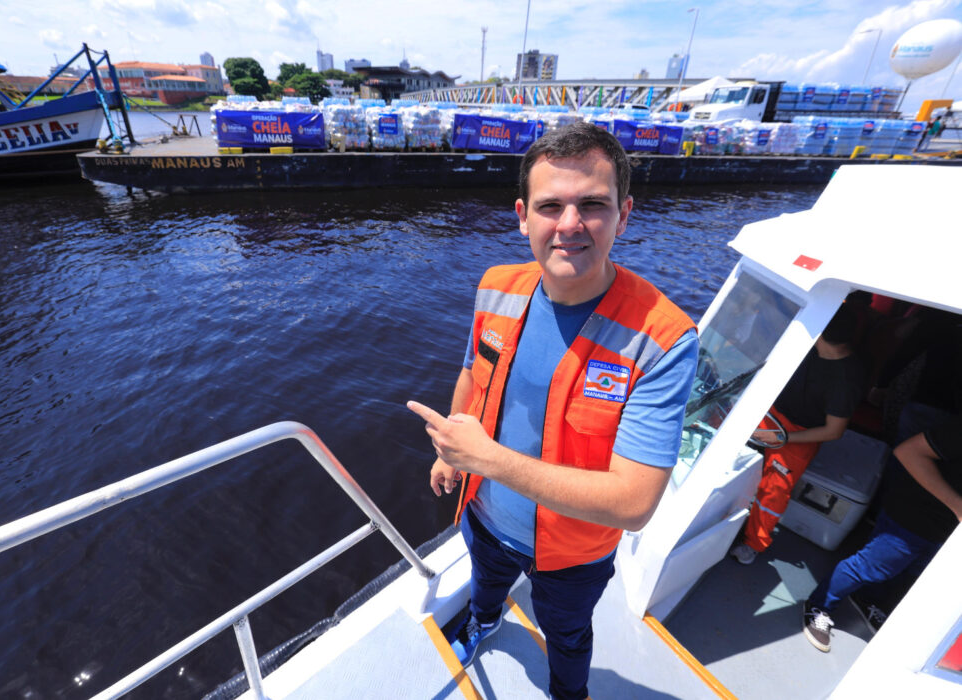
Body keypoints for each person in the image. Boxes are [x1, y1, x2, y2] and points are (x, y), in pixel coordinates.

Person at [406, 122, 699, 700]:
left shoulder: (662, 339)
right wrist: (452, 452)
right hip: (485, 517)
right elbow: (474, 372)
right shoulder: (496, 287)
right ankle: (485, 620)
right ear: (523, 215)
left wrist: (488, 459)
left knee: (566, 634)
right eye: (550, 206)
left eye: (592, 204)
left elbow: (634, 503)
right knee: (486, 586)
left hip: (574, 553)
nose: (569, 224)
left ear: (624, 214)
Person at [802, 413, 962, 652]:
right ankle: (819, 606)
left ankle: (867, 600)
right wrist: (957, 505)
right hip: (915, 515)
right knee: (868, 567)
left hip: (946, 530)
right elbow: (908, 452)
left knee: (907, 573)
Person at [729, 305, 866, 565]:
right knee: (726, 445)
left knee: (775, 488)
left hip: (801, 433)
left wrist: (783, 439)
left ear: (822, 333)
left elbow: (834, 431)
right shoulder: (808, 347)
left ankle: (753, 544)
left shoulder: (846, 379)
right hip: (772, 410)